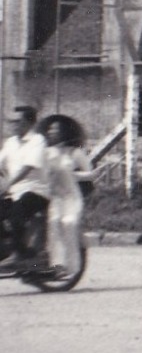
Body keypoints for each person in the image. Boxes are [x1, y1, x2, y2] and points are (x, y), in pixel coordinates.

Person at [38, 114, 92, 276]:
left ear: (65, 132)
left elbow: (90, 174)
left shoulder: (75, 153)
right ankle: (57, 266)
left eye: (57, 130)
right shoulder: (46, 152)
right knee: (53, 225)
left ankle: (73, 267)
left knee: (68, 224)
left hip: (72, 197)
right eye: (50, 130)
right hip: (55, 197)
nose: (52, 132)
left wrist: (73, 175)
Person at [0, 104, 49, 272]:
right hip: (14, 191)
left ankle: (19, 254)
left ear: (29, 123)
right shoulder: (10, 142)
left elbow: (28, 167)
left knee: (16, 216)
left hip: (37, 190)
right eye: (11, 122)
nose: (13, 125)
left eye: (17, 121)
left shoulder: (38, 141)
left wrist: (8, 183)